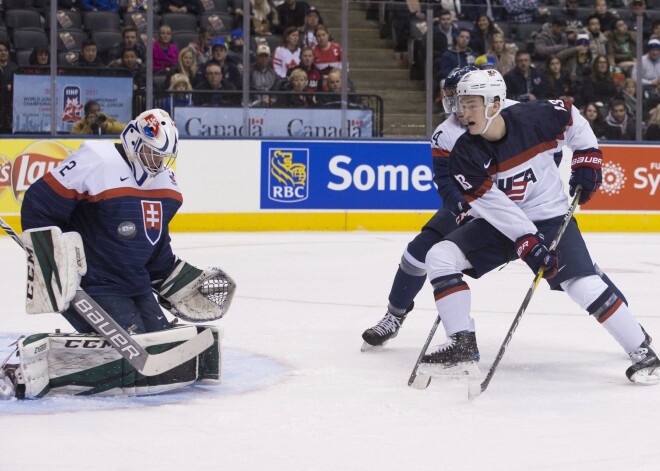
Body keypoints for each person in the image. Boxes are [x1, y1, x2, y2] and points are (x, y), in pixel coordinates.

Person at [417, 69, 658, 384]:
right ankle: (462, 345)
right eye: (460, 103)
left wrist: (587, 157)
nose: (462, 112)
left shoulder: (535, 116)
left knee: (580, 284)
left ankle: (642, 352)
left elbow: (573, 118)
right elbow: (495, 206)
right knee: (440, 256)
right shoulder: (463, 152)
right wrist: (525, 239)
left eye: (471, 104)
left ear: (493, 104)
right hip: (501, 223)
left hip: (550, 214)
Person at [0, 40, 17, 134]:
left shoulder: (14, 68)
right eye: (0, 51)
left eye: (5, 50)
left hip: (9, 112)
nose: (3, 53)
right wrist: (6, 87)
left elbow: (17, 86)